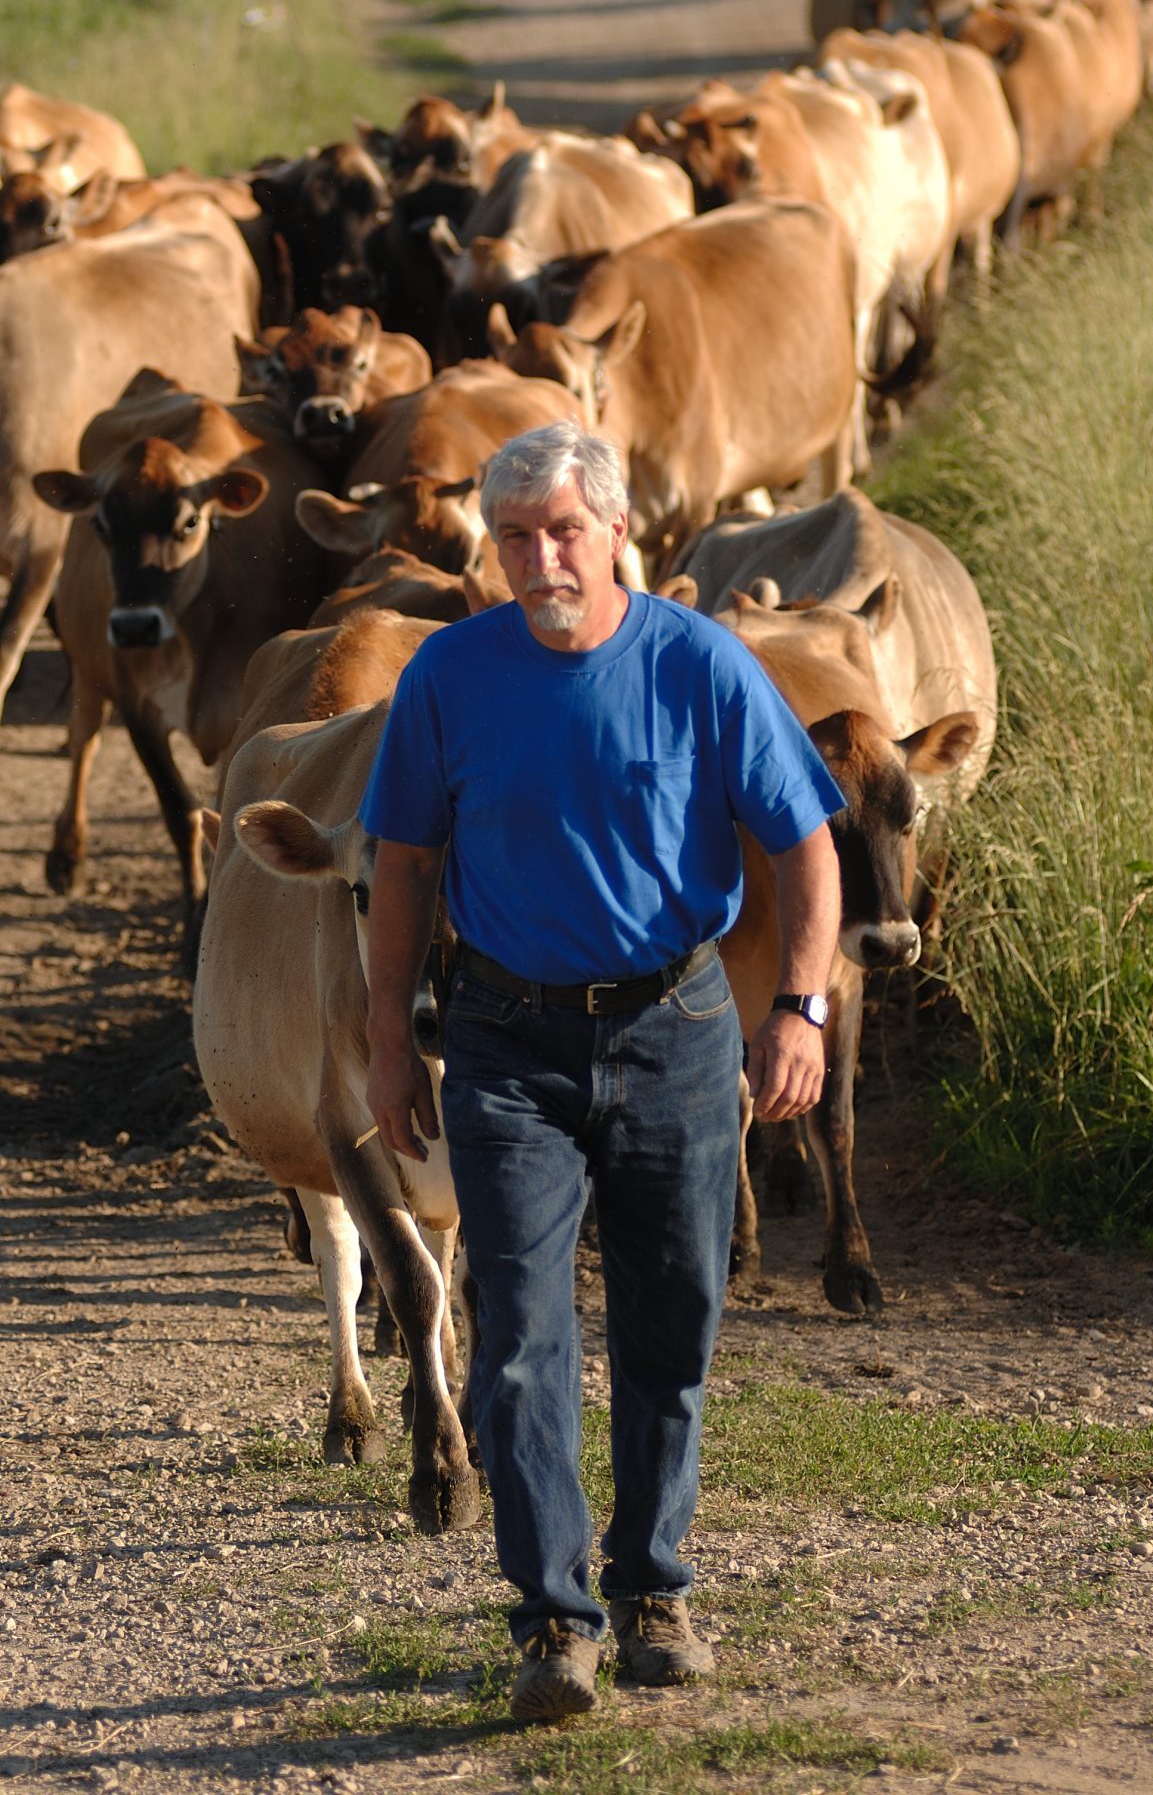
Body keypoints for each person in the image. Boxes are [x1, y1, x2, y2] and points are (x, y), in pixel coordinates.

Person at [359, 423, 844, 1723]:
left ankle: (653, 1591)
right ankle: (553, 1622)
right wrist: (384, 1038)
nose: (538, 558)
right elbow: (399, 862)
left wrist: (797, 1006)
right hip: (504, 1044)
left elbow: (804, 845)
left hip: (672, 1031)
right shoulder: (450, 676)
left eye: (561, 530)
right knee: (516, 1339)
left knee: (671, 1320)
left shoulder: (698, 666)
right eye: (513, 535)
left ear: (618, 528)